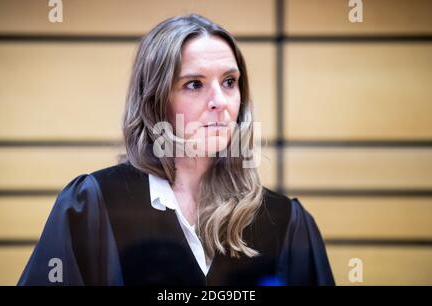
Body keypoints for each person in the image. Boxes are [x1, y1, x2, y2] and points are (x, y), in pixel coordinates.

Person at [18, 14, 335, 286]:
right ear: (156, 101)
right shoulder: (93, 204)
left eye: (229, 82)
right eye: (194, 84)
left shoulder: (286, 221)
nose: (220, 102)